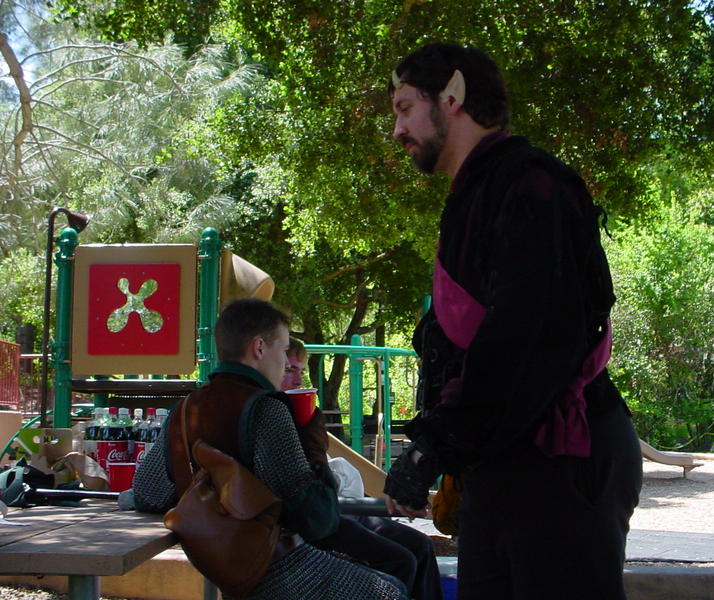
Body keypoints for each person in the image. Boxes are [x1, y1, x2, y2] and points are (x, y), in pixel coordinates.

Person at [383, 43, 643, 599]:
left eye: (405, 108)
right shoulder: (479, 191)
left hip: (562, 460)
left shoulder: (533, 185)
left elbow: (528, 337)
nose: (397, 130)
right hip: (506, 462)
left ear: (451, 96)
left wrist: (436, 445)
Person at [133, 298, 407, 599]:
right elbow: (316, 519)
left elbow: (148, 493)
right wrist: (314, 444)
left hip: (219, 564)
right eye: (283, 349)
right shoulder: (267, 410)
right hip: (275, 567)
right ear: (259, 348)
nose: (285, 361)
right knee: (391, 591)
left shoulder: (185, 409)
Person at [281, 338, 443, 600]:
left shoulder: (302, 415)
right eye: (289, 370)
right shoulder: (269, 414)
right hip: (310, 521)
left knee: (420, 544)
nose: (298, 380)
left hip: (329, 508)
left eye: (300, 371)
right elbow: (302, 484)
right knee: (400, 560)